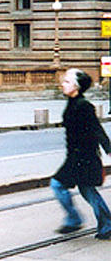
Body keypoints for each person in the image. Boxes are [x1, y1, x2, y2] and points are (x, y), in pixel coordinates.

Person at [50, 68, 111, 239]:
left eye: (67, 82)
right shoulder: (72, 102)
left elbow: (96, 128)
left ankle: (75, 219)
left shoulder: (83, 105)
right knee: (87, 190)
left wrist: (108, 148)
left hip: (84, 157)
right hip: (77, 156)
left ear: (76, 87)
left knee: (58, 185)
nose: (62, 84)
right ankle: (105, 225)